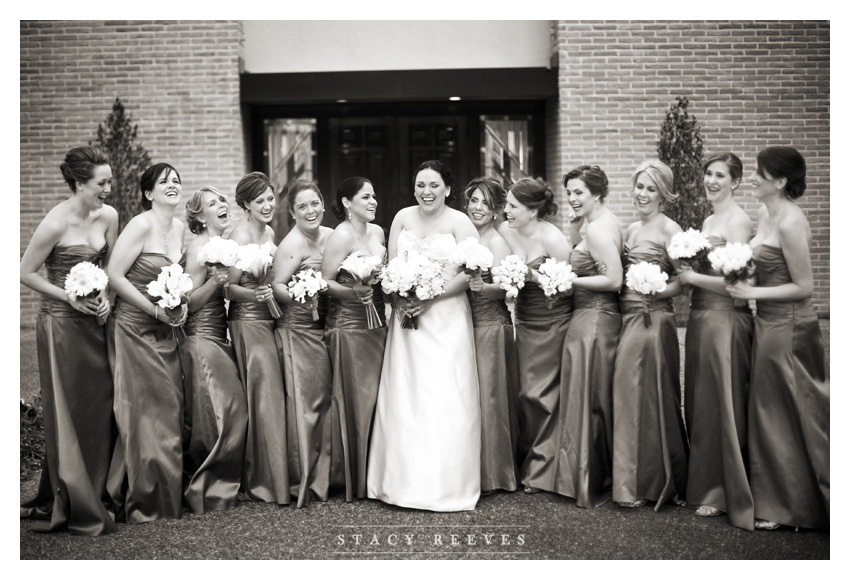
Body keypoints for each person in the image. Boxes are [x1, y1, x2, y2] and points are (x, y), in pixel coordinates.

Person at [367, 160, 481, 511]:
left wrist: (432, 296)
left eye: (433, 185)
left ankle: (448, 485)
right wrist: (401, 297)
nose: (426, 192)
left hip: (446, 317)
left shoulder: (461, 222)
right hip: (408, 319)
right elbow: (391, 268)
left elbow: (471, 271)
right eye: (420, 185)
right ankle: (399, 483)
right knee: (407, 393)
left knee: (446, 393)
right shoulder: (402, 217)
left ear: (447, 188)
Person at [727, 146, 829, 531]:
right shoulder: (765, 213)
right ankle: (777, 499)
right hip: (767, 324)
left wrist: (751, 294)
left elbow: (804, 287)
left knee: (786, 412)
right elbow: (764, 268)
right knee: (769, 412)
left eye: (759, 172)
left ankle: (794, 507)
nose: (753, 177)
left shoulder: (790, 221)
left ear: (780, 181)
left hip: (789, 326)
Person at [20, 146, 118, 535]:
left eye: (109, 181)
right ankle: (72, 495)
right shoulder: (54, 224)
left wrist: (106, 297)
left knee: (100, 406)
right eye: (102, 183)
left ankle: (100, 487)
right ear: (79, 183)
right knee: (69, 408)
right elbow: (25, 273)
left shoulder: (109, 215)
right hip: (61, 325)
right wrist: (70, 298)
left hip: (97, 323)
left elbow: (109, 265)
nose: (109, 189)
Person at [677, 153, 755, 530]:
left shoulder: (738, 220)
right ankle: (706, 484)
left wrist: (691, 279)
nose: (711, 180)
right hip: (700, 319)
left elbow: (740, 283)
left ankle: (726, 491)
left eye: (720, 175)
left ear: (735, 182)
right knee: (702, 401)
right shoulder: (709, 220)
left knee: (724, 401)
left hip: (725, 318)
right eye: (708, 173)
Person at [107, 162, 187, 523]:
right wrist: (154, 311)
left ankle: (166, 490)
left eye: (176, 181)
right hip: (134, 328)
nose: (172, 185)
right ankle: (144, 498)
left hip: (166, 330)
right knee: (143, 411)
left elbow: (176, 281)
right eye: (163, 182)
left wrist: (178, 307)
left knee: (169, 406)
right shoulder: (141, 224)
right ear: (148, 192)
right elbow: (115, 274)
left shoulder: (181, 227)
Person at [611, 160, 688, 511]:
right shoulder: (629, 231)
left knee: (653, 398)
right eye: (639, 187)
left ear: (663, 193)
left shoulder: (670, 229)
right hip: (628, 320)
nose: (642, 194)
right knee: (628, 398)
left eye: (650, 188)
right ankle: (631, 479)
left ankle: (656, 481)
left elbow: (683, 281)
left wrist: (656, 289)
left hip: (654, 321)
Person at [552, 165, 623, 508]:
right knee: (596, 395)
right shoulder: (598, 224)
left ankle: (588, 477)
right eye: (569, 193)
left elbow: (614, 280)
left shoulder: (596, 230)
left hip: (593, 317)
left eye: (579, 192)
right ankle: (600, 473)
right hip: (596, 317)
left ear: (596, 194)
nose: (572, 198)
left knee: (589, 396)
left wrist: (566, 281)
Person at [498, 177, 572, 495]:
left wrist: (532, 275)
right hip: (524, 320)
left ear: (532, 210)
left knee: (545, 395)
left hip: (552, 321)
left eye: (513, 206)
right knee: (525, 393)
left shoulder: (553, 239)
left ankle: (544, 470)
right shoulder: (505, 231)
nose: (507, 211)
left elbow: (567, 284)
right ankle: (528, 460)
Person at [179, 187, 248, 514]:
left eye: (222, 200)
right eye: (212, 203)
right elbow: (188, 304)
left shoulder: (224, 246)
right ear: (198, 216)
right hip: (200, 338)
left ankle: (223, 479)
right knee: (219, 413)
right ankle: (206, 485)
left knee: (232, 410)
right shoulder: (197, 249)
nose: (222, 206)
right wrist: (214, 282)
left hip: (221, 336)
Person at [321, 177, 388, 501]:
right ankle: (354, 477)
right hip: (348, 328)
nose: (373, 201)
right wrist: (354, 291)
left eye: (374, 196)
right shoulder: (340, 236)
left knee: (379, 397)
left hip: (377, 325)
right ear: (348, 203)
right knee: (356, 399)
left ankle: (376, 473)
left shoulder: (377, 233)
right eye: (365, 196)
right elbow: (325, 283)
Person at [271, 180, 335, 508]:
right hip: (296, 330)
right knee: (305, 406)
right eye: (302, 207)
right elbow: (277, 286)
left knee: (323, 402)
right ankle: (304, 479)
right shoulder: (292, 245)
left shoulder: (330, 236)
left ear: (323, 205)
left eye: (314, 204)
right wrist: (303, 293)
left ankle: (326, 475)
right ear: (293, 213)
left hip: (324, 327)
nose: (310, 211)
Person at [228, 171, 290, 505]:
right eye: (260, 201)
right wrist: (257, 297)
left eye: (270, 198)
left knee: (270, 393)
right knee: (263, 395)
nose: (268, 205)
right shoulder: (238, 235)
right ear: (246, 205)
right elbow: (229, 287)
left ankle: (273, 470)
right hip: (248, 320)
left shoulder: (268, 231)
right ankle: (263, 479)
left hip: (269, 318)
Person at [463, 177, 520, 493]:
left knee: (490, 397)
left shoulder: (497, 243)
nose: (478, 208)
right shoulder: (465, 238)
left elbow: (508, 289)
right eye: (474, 201)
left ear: (497, 209)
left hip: (490, 326)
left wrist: (482, 287)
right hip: (463, 325)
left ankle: (495, 473)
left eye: (485, 203)